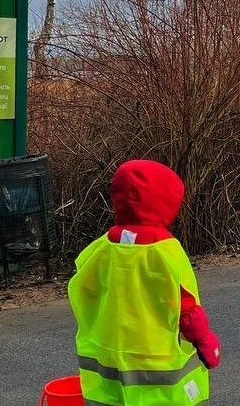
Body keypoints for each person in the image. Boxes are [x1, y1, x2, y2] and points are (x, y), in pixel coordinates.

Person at [68, 159, 220, 405]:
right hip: (155, 367)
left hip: (106, 363)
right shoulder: (165, 252)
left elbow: (82, 290)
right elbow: (186, 308)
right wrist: (204, 340)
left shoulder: (100, 248)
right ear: (165, 202)